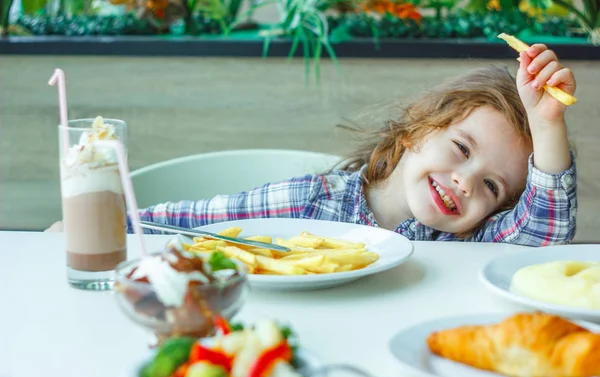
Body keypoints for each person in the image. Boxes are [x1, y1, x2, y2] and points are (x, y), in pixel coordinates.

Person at [47, 44, 577, 246]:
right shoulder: (310, 203)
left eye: (491, 185)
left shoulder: (469, 242)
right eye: (462, 149)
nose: (466, 181)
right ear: (416, 130)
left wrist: (548, 121)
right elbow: (191, 223)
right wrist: (100, 226)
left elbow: (543, 228)